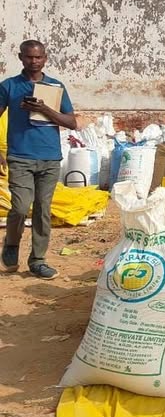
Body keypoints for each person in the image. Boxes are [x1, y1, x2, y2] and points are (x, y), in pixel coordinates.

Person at [0, 40, 77, 279]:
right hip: (20, 157)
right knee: (20, 207)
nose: (34, 61)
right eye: (29, 57)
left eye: (38, 57)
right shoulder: (9, 86)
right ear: (21, 57)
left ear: (45, 58)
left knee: (43, 209)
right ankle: (11, 244)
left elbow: (72, 122)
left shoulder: (55, 87)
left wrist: (45, 109)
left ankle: (38, 260)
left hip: (49, 158)